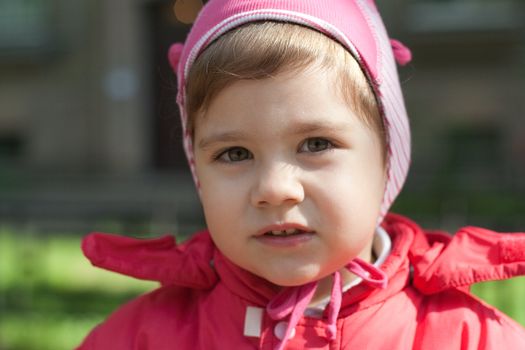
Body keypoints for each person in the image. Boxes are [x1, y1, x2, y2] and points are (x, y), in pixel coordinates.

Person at [77, 1, 525, 349]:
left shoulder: (473, 337)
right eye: (235, 153)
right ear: (198, 168)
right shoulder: (139, 338)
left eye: (316, 144)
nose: (274, 189)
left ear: (388, 156)